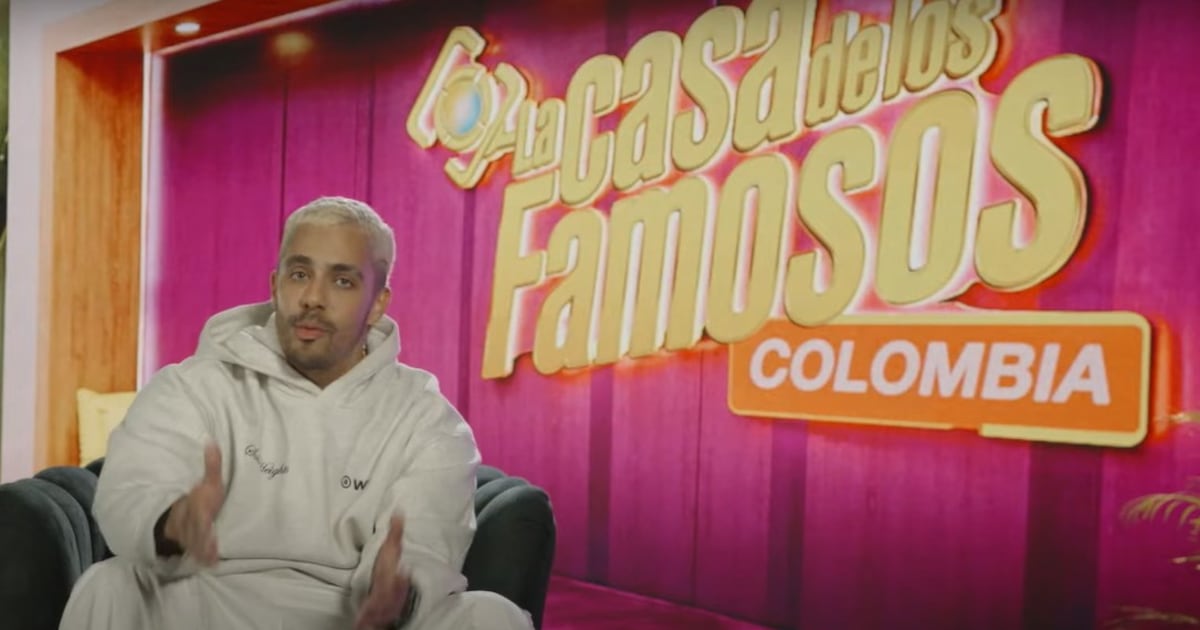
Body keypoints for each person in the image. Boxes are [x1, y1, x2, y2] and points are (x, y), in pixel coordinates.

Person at [59, 197, 533, 630]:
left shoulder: (426, 420)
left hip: (351, 614)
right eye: (300, 274)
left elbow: (424, 543)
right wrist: (170, 525)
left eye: (342, 281)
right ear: (275, 285)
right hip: (208, 598)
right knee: (109, 585)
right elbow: (132, 491)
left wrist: (397, 590)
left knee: (493, 616)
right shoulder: (193, 387)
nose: (312, 298)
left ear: (377, 303)